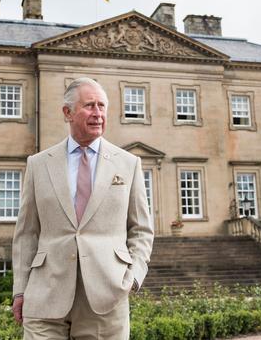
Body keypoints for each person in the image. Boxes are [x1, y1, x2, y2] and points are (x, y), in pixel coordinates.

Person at [11, 77, 154, 339]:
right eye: (90, 106)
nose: (98, 114)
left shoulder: (128, 163)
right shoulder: (39, 164)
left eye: (102, 106)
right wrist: (20, 290)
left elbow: (141, 229)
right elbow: (26, 233)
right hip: (45, 294)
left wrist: (133, 277)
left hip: (106, 297)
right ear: (68, 112)